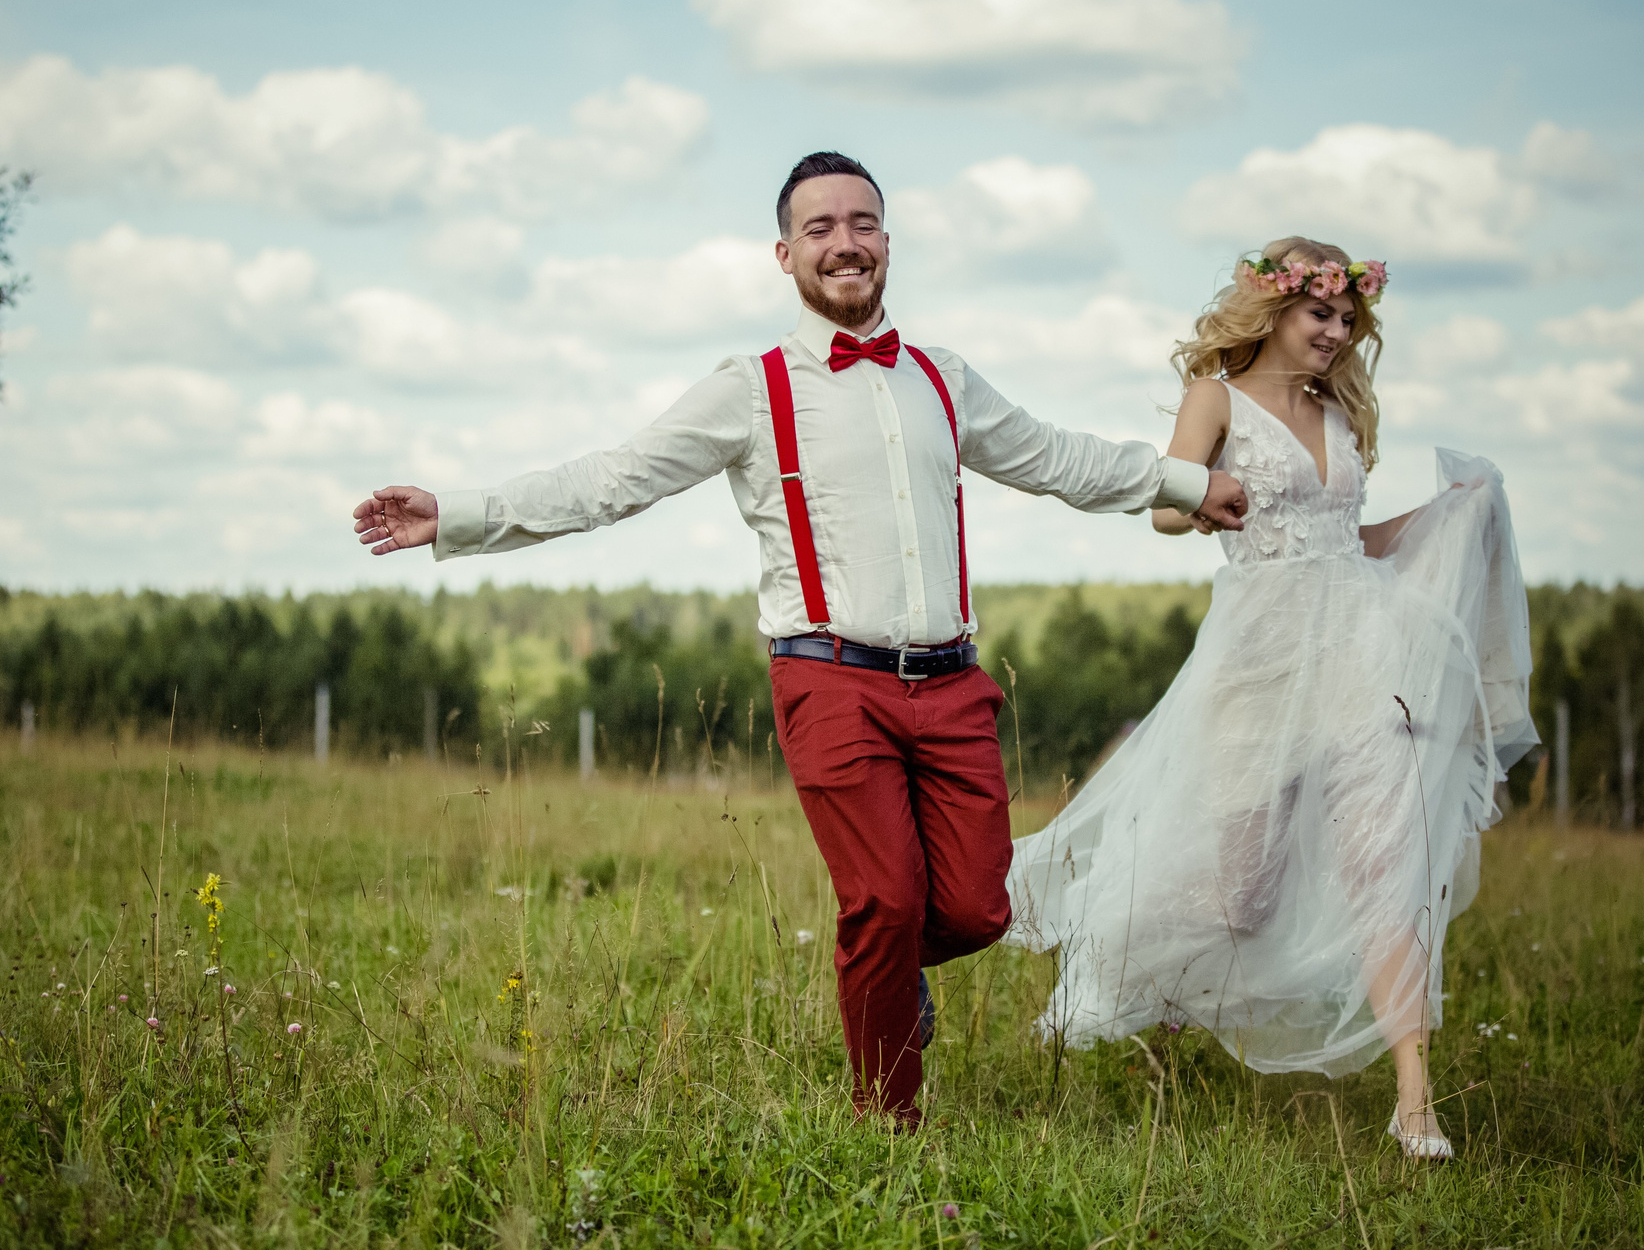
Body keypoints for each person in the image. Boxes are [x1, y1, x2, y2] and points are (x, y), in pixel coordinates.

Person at [354, 152, 1249, 1127]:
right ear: (785, 255)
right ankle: (886, 1123)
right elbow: (611, 480)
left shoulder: (943, 377)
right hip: (830, 678)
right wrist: (458, 514)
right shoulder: (752, 387)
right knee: (885, 901)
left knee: (977, 908)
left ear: (887, 242)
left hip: (953, 683)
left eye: (862, 223)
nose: (844, 243)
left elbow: (1057, 458)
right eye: (819, 228)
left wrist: (1186, 482)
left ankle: (887, 972)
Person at [1003, 237, 1538, 1158]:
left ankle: (1415, 1102)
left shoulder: (1338, 410)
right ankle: (1104, 957)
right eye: (1319, 313)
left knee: (1387, 869)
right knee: (1238, 894)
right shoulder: (1215, 397)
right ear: (1275, 309)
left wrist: (1449, 512)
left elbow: (1350, 540)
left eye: (1347, 319)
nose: (1336, 332)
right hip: (1257, 665)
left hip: (1361, 659)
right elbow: (1165, 510)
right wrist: (1203, 495)